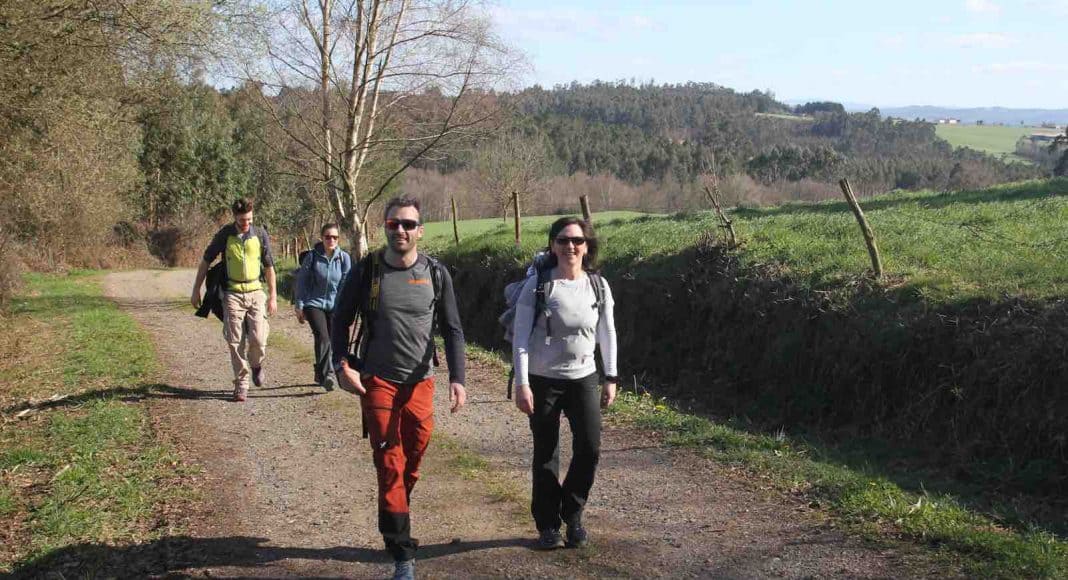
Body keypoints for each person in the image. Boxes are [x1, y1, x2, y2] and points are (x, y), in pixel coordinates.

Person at [331, 196, 467, 580]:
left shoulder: (437, 274)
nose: (401, 230)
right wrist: (341, 365)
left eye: (408, 224)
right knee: (390, 461)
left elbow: (453, 330)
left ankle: (395, 509)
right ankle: (402, 551)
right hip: (378, 381)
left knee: (415, 455)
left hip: (421, 381)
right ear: (385, 228)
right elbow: (339, 322)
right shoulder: (367, 272)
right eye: (394, 224)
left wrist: (458, 378)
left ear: (420, 230)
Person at [511, 216, 618, 550]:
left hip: (584, 378)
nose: (570, 246)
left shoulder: (598, 286)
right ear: (552, 245)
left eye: (577, 241)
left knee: (590, 448)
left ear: (587, 247)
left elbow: (607, 333)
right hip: (543, 381)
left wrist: (610, 376)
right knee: (546, 454)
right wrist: (522, 383)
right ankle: (547, 525)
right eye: (563, 240)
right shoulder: (539, 286)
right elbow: (520, 339)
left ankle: (572, 513)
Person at [191, 198, 278, 402]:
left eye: (248, 219)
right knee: (234, 340)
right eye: (241, 220)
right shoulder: (225, 235)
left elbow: (269, 266)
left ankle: (256, 365)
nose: (245, 223)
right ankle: (241, 384)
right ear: (234, 217)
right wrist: (196, 290)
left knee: (258, 338)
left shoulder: (260, 235)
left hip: (256, 291)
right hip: (232, 294)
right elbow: (206, 261)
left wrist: (273, 295)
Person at [294, 223, 352, 390]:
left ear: (338, 239)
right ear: (322, 238)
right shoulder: (312, 257)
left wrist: (345, 307)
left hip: (335, 305)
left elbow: (346, 284)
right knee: (323, 336)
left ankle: (320, 372)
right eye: (328, 237)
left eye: (335, 237)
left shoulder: (344, 258)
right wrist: (299, 305)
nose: (331, 240)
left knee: (332, 340)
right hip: (314, 303)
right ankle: (328, 374)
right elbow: (302, 282)